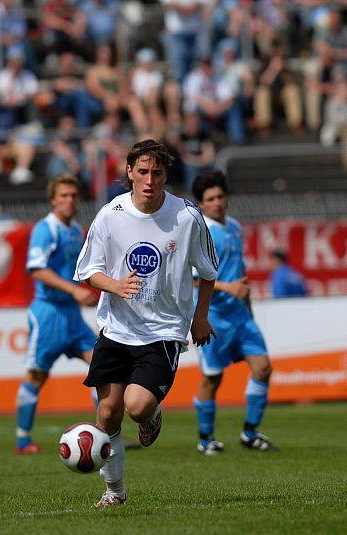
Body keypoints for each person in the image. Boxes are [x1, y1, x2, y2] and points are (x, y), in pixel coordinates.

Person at [74, 139, 218, 506]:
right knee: (108, 413)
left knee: (136, 407)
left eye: (157, 172)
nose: (149, 180)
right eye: (142, 172)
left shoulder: (187, 216)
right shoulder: (110, 214)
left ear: (166, 174)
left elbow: (208, 272)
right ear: (129, 172)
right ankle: (114, 492)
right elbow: (88, 270)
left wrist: (200, 316)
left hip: (163, 329)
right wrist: (116, 285)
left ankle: (151, 413)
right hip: (117, 328)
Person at [190, 170, 278, 456]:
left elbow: (240, 271)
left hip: (240, 315)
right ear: (201, 204)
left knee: (263, 368)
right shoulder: (201, 232)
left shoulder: (236, 227)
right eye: (210, 199)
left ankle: (250, 434)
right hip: (213, 315)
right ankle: (206, 439)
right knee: (212, 378)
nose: (217, 202)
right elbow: (192, 279)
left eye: (220, 196)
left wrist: (249, 309)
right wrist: (229, 288)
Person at [14, 174, 99, 453]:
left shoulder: (75, 230)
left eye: (74, 196)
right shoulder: (45, 229)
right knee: (36, 376)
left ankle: (108, 434)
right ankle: (23, 439)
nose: (70, 200)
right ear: (53, 200)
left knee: (102, 367)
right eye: (64, 196)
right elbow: (38, 269)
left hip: (72, 315)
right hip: (48, 313)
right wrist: (75, 291)